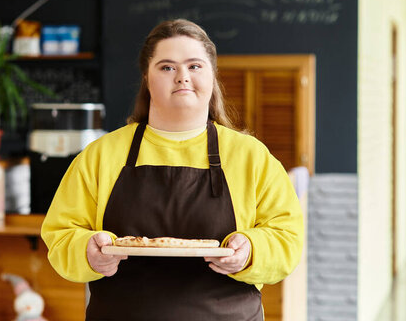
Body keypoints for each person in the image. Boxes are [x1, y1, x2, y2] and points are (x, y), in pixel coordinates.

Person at [41, 19, 303, 320]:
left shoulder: (251, 157)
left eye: (195, 66)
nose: (182, 77)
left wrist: (251, 251)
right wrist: (86, 250)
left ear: (212, 76)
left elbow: (287, 239)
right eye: (167, 67)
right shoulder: (101, 155)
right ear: (146, 78)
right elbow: (60, 234)